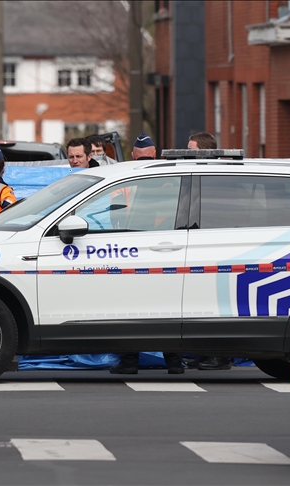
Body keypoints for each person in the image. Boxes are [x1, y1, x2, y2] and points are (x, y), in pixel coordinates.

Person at [110, 131, 184, 375]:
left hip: (133, 251)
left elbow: (115, 218)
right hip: (165, 252)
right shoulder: (170, 180)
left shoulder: (123, 181)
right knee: (168, 309)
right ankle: (174, 362)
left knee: (131, 309)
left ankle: (130, 361)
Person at [185, 132, 232, 371]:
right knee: (201, 304)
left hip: (218, 247)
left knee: (217, 302)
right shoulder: (202, 177)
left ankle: (220, 356)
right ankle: (206, 353)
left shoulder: (218, 178)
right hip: (205, 244)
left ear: (204, 152)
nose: (186, 154)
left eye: (190, 150)